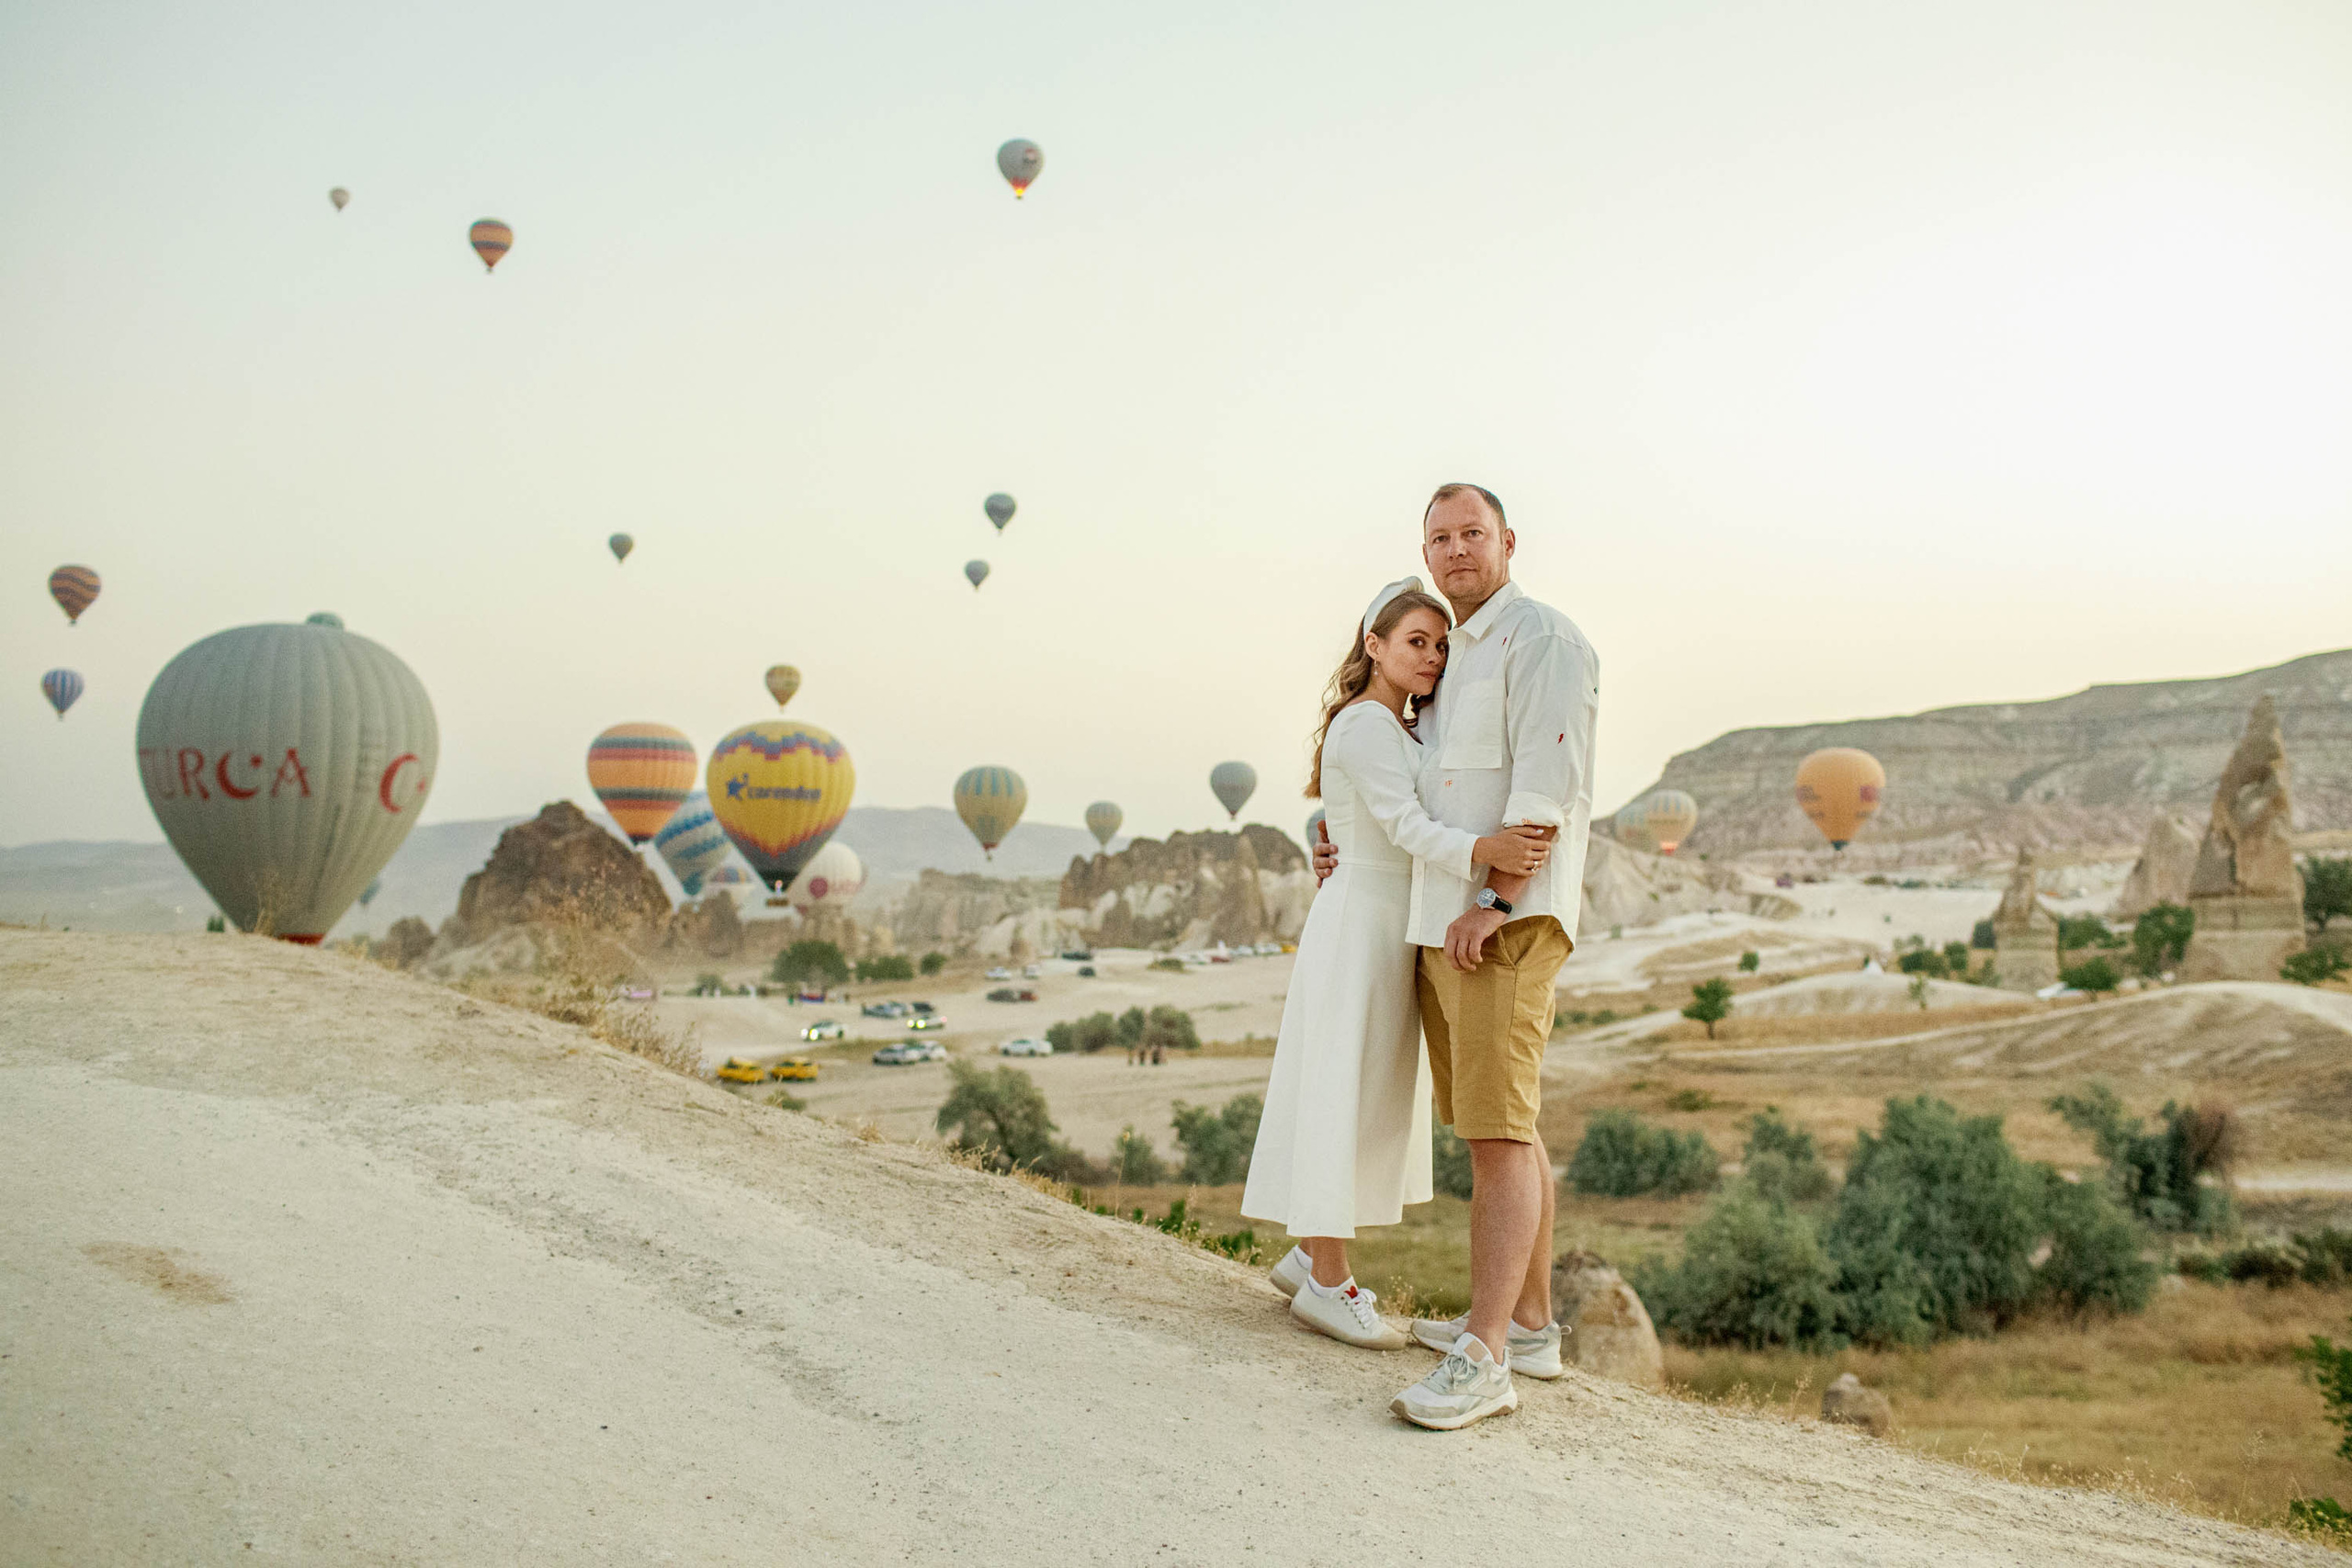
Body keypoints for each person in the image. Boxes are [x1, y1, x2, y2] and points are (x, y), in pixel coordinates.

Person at [1313, 483, 1598, 1431]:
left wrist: (1494, 900)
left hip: (1496, 922)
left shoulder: (1540, 640)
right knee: (1498, 1124)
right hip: (1446, 921)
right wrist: (1337, 839)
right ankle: (1527, 1327)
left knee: (1497, 1134)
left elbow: (1547, 784)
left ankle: (1483, 1359)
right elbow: (1407, 789)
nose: (1454, 550)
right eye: (1438, 538)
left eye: (1471, 533)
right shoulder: (1448, 659)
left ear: (1508, 541)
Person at [1243, 577, 1554, 1351]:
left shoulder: (1395, 727)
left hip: (1385, 919)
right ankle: (1328, 1283)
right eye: (1416, 640)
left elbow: (1361, 812)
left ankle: (1312, 1256)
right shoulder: (1370, 725)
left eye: (1442, 644)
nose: (1434, 655)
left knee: (1358, 1090)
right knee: (1342, 1091)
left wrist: (1328, 835)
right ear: (1373, 646)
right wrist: (1488, 851)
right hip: (1362, 924)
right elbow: (1409, 824)